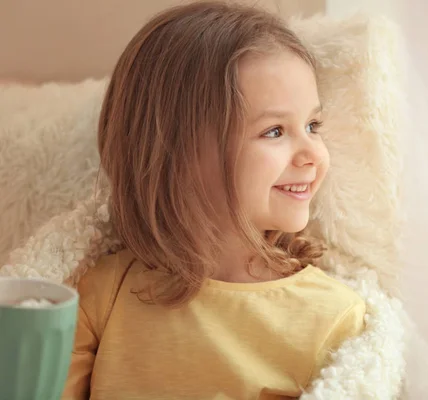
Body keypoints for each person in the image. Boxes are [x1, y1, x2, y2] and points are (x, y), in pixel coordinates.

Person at [61, 2, 366, 399]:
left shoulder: (332, 319)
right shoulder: (102, 295)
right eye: (274, 131)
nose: (312, 154)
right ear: (177, 152)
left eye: (312, 125)